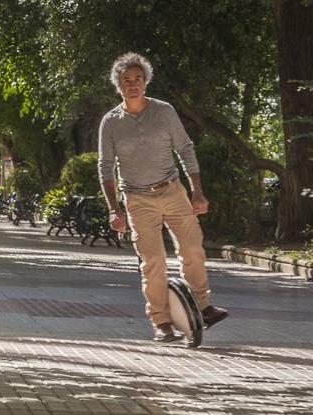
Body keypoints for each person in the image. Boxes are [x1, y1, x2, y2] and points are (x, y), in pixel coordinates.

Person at [98, 52, 228, 342]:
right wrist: (113, 210)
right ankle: (161, 321)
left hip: (172, 190)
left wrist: (196, 190)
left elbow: (185, 148)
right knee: (153, 260)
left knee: (193, 248)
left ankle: (203, 306)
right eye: (126, 80)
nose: (133, 85)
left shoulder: (164, 111)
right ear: (118, 85)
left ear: (146, 82)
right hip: (137, 199)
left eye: (138, 79)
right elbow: (105, 167)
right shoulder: (110, 122)